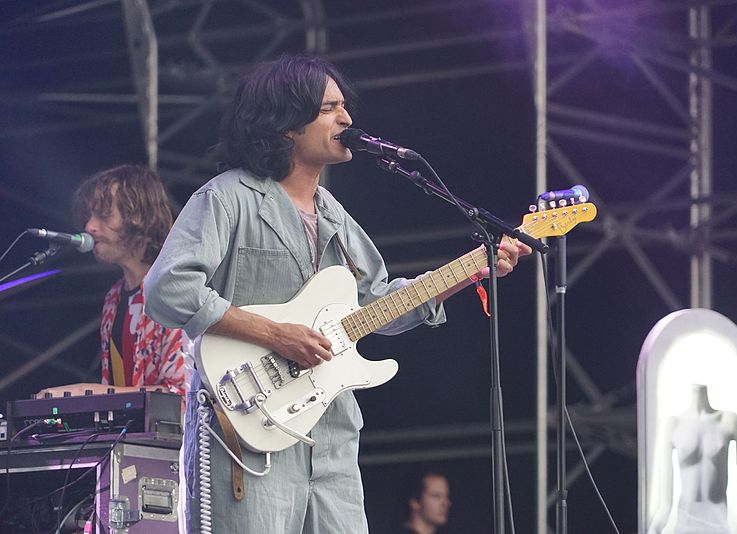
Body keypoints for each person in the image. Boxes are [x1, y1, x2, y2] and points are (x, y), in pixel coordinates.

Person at [143, 54, 531, 532]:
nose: (346, 119)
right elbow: (167, 289)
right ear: (286, 124)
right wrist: (276, 334)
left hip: (331, 440)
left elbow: (377, 306)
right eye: (329, 108)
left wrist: (473, 270)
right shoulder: (227, 197)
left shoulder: (334, 216)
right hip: (245, 426)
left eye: (343, 106)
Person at [38, 164, 191, 399]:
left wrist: (85, 393)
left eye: (104, 214)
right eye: (89, 216)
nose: (90, 226)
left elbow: (181, 396)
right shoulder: (114, 297)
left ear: (139, 216)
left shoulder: (175, 289)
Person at [647, 383, 737, 534]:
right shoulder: (672, 424)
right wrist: (654, 529)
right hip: (685, 527)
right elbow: (665, 504)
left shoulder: (729, 421)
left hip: (719, 527)